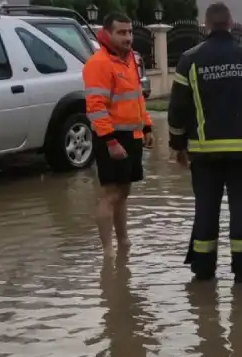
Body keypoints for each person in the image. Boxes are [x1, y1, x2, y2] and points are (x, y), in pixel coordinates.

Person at [167, 2, 242, 283]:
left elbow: (177, 110)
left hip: (205, 155)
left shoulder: (189, 60)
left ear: (205, 26)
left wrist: (178, 145)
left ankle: (203, 271)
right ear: (231, 24)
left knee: (205, 211)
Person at [84, 13, 154, 259]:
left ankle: (124, 242)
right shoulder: (98, 63)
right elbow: (95, 107)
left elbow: (137, 98)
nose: (128, 37)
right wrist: (110, 141)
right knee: (111, 193)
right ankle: (107, 251)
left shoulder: (131, 60)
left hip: (132, 136)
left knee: (124, 192)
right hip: (112, 138)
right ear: (108, 34)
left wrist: (146, 127)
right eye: (121, 33)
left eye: (130, 32)